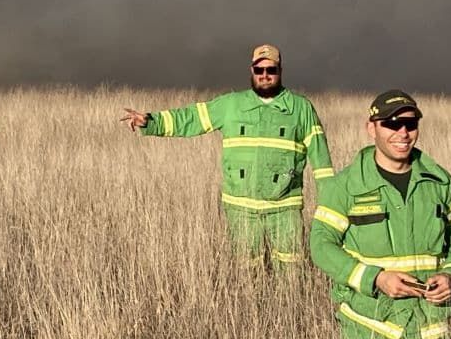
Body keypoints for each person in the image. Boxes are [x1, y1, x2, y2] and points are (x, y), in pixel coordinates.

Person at [310, 90, 451, 339]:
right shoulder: (344, 186)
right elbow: (321, 245)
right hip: (366, 324)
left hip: (428, 325)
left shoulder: (439, 181)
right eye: (391, 123)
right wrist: (375, 279)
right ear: (371, 128)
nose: (402, 132)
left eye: (410, 123)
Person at [119, 44, 333, 265]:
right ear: (251, 71)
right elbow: (191, 118)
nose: (265, 76)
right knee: (247, 279)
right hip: (240, 212)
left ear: (280, 71)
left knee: (291, 275)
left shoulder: (301, 108)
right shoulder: (230, 105)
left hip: (285, 211)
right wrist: (151, 122)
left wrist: (329, 210)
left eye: (271, 70)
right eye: (259, 70)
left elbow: (322, 163)